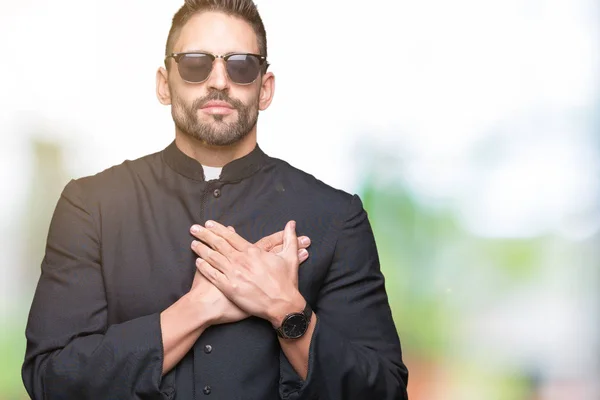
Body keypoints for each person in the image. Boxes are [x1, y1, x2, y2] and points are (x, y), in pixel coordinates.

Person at [22, 0, 409, 398]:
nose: (219, 81)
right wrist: (197, 309)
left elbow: (385, 391)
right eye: (195, 63)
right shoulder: (92, 206)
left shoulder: (335, 217)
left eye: (240, 64)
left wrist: (287, 311)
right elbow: (50, 380)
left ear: (265, 88)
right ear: (163, 82)